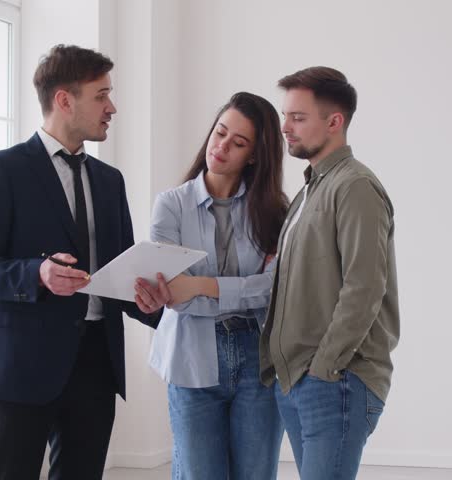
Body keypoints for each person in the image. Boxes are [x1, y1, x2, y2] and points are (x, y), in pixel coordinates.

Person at [0, 44, 168, 480]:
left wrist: (154, 304)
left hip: (95, 362)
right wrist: (36, 273)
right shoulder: (1, 170)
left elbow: (119, 274)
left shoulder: (110, 182)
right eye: (101, 95)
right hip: (21, 362)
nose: (112, 107)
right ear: (64, 100)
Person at [259, 66, 400, 479]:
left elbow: (365, 287)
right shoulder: (310, 189)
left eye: (298, 118)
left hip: (334, 380)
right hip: (301, 381)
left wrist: (324, 368)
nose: (285, 127)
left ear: (334, 122)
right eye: (286, 116)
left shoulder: (354, 186)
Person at [144, 92, 288, 479]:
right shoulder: (170, 206)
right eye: (220, 133)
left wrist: (203, 285)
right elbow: (176, 295)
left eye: (238, 143)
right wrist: (248, 287)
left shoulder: (276, 210)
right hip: (191, 357)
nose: (222, 147)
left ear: (254, 155)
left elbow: (280, 290)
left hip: (258, 357)